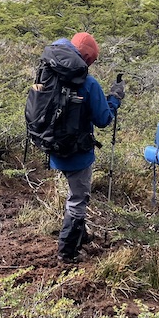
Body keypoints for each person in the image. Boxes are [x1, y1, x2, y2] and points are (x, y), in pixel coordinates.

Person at [50, 32, 125, 263]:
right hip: (77, 153)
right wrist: (114, 98)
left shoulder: (49, 73)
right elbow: (103, 119)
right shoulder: (88, 83)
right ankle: (67, 252)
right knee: (78, 199)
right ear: (87, 59)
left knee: (75, 193)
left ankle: (80, 235)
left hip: (53, 146)